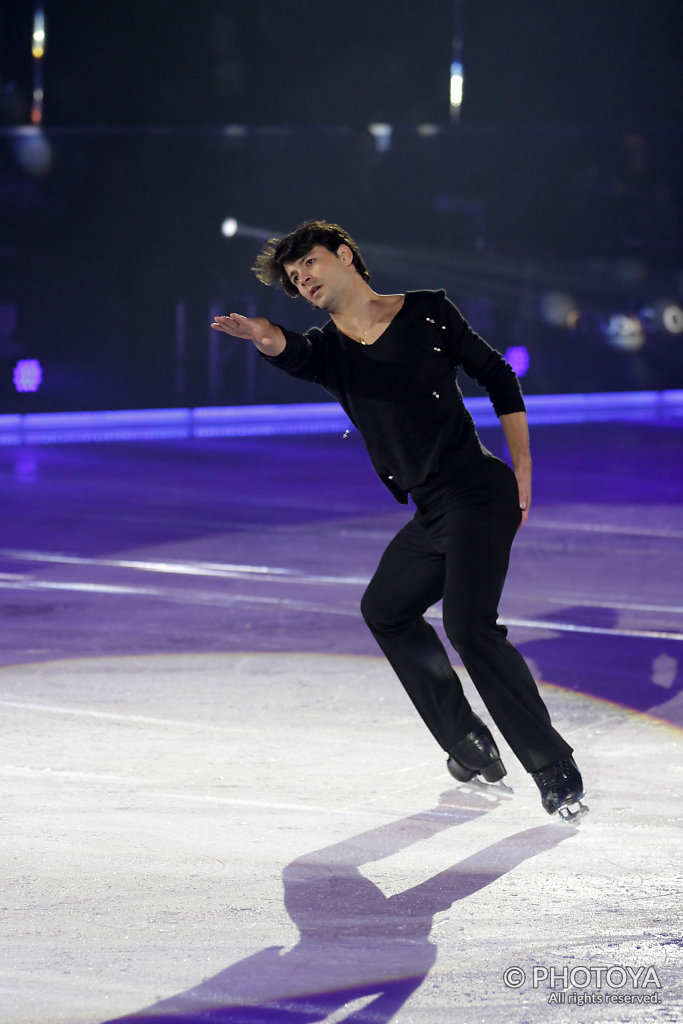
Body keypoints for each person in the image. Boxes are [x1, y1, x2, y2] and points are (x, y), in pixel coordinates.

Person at [211, 219, 586, 820]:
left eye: (308, 263)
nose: (302, 278)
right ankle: (467, 739)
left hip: (478, 494)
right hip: (432, 509)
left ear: (343, 254)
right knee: (385, 610)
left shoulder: (429, 313)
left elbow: (497, 375)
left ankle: (552, 767)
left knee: (469, 626)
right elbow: (294, 349)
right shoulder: (330, 353)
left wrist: (522, 467)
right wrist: (263, 335)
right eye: (292, 276)